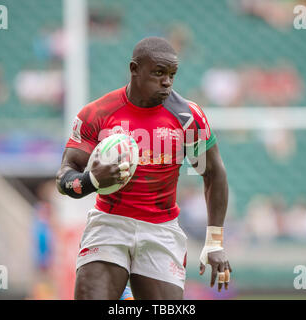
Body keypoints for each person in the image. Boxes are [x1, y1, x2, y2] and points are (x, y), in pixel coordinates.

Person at [56, 37, 231, 300]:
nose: (167, 82)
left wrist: (215, 241)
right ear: (134, 69)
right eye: (159, 73)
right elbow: (65, 176)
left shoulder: (188, 118)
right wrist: (91, 180)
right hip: (110, 224)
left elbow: (213, 173)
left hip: (161, 229)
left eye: (172, 74)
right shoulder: (98, 113)